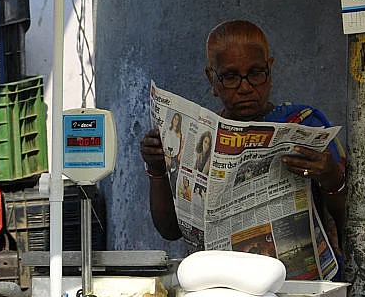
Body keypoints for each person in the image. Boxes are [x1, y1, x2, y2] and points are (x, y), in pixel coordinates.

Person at [141, 19, 347, 275]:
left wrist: (331, 178)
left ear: (270, 70)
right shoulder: (199, 140)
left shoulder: (305, 124)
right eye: (230, 77)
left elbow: (350, 222)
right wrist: (157, 171)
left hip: (302, 283)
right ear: (212, 79)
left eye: (256, 73)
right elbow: (170, 230)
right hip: (228, 288)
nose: (246, 87)